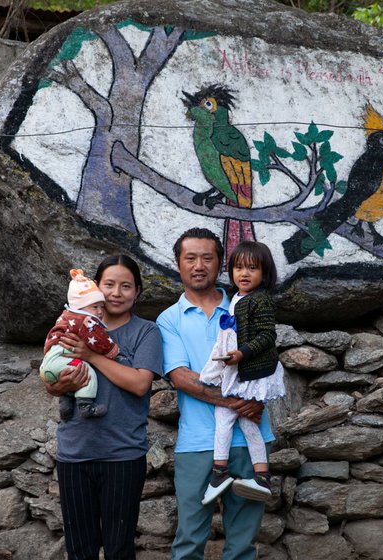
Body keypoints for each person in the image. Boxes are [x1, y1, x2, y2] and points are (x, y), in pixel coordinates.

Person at [157, 228, 275, 560]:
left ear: (221, 263)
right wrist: (238, 402)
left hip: (251, 443)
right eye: (190, 258)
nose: (199, 265)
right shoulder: (169, 319)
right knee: (190, 541)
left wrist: (258, 395)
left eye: (207, 258)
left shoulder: (246, 305)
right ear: (178, 264)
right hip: (197, 443)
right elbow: (181, 377)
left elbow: (266, 355)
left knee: (242, 546)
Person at [44, 255, 162, 560]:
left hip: (122, 453)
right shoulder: (72, 325)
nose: (116, 293)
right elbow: (51, 380)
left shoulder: (145, 332)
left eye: (126, 286)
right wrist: (60, 384)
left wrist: (92, 356)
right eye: (109, 284)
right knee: (79, 549)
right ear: (96, 287)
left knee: (119, 548)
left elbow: (139, 384)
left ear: (137, 291)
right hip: (75, 451)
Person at [199, 241, 285, 505]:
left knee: (224, 415)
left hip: (249, 369)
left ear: (264, 273)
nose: (244, 273)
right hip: (238, 365)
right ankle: (261, 475)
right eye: (238, 267)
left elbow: (267, 335)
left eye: (252, 268)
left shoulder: (259, 300)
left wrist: (242, 353)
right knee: (248, 423)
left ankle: (219, 472)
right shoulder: (238, 298)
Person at [40, 268, 120, 420]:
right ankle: (86, 406)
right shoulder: (85, 320)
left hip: (50, 363)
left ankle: (66, 403)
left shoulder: (66, 316)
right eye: (94, 307)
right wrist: (112, 351)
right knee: (86, 373)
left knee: (72, 373)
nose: (99, 312)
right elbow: (99, 340)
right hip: (62, 360)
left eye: (100, 307)